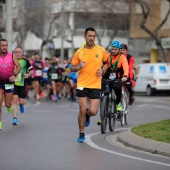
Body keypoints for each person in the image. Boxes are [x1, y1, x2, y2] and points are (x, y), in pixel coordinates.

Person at [70, 27, 108, 143]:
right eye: (89, 36)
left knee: (93, 111)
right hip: (82, 84)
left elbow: (106, 64)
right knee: (82, 109)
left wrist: (103, 70)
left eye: (93, 36)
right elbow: (71, 68)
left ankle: (88, 116)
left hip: (95, 84)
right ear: (85, 37)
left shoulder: (101, 50)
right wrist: (78, 67)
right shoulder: (79, 52)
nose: (91, 38)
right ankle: (81, 134)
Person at [0, 39, 21, 130]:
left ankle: (9, 106)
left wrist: (14, 75)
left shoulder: (12, 56)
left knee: (8, 104)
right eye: (2, 45)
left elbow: (18, 67)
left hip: (9, 81)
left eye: (6, 45)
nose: (4, 47)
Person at [12, 47, 33, 125]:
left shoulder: (25, 61)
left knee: (21, 101)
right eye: (16, 52)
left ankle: (21, 105)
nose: (17, 53)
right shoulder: (11, 60)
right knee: (14, 99)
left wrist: (28, 74)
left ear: (22, 53)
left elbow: (31, 70)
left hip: (22, 84)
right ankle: (15, 118)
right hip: (13, 83)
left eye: (19, 52)